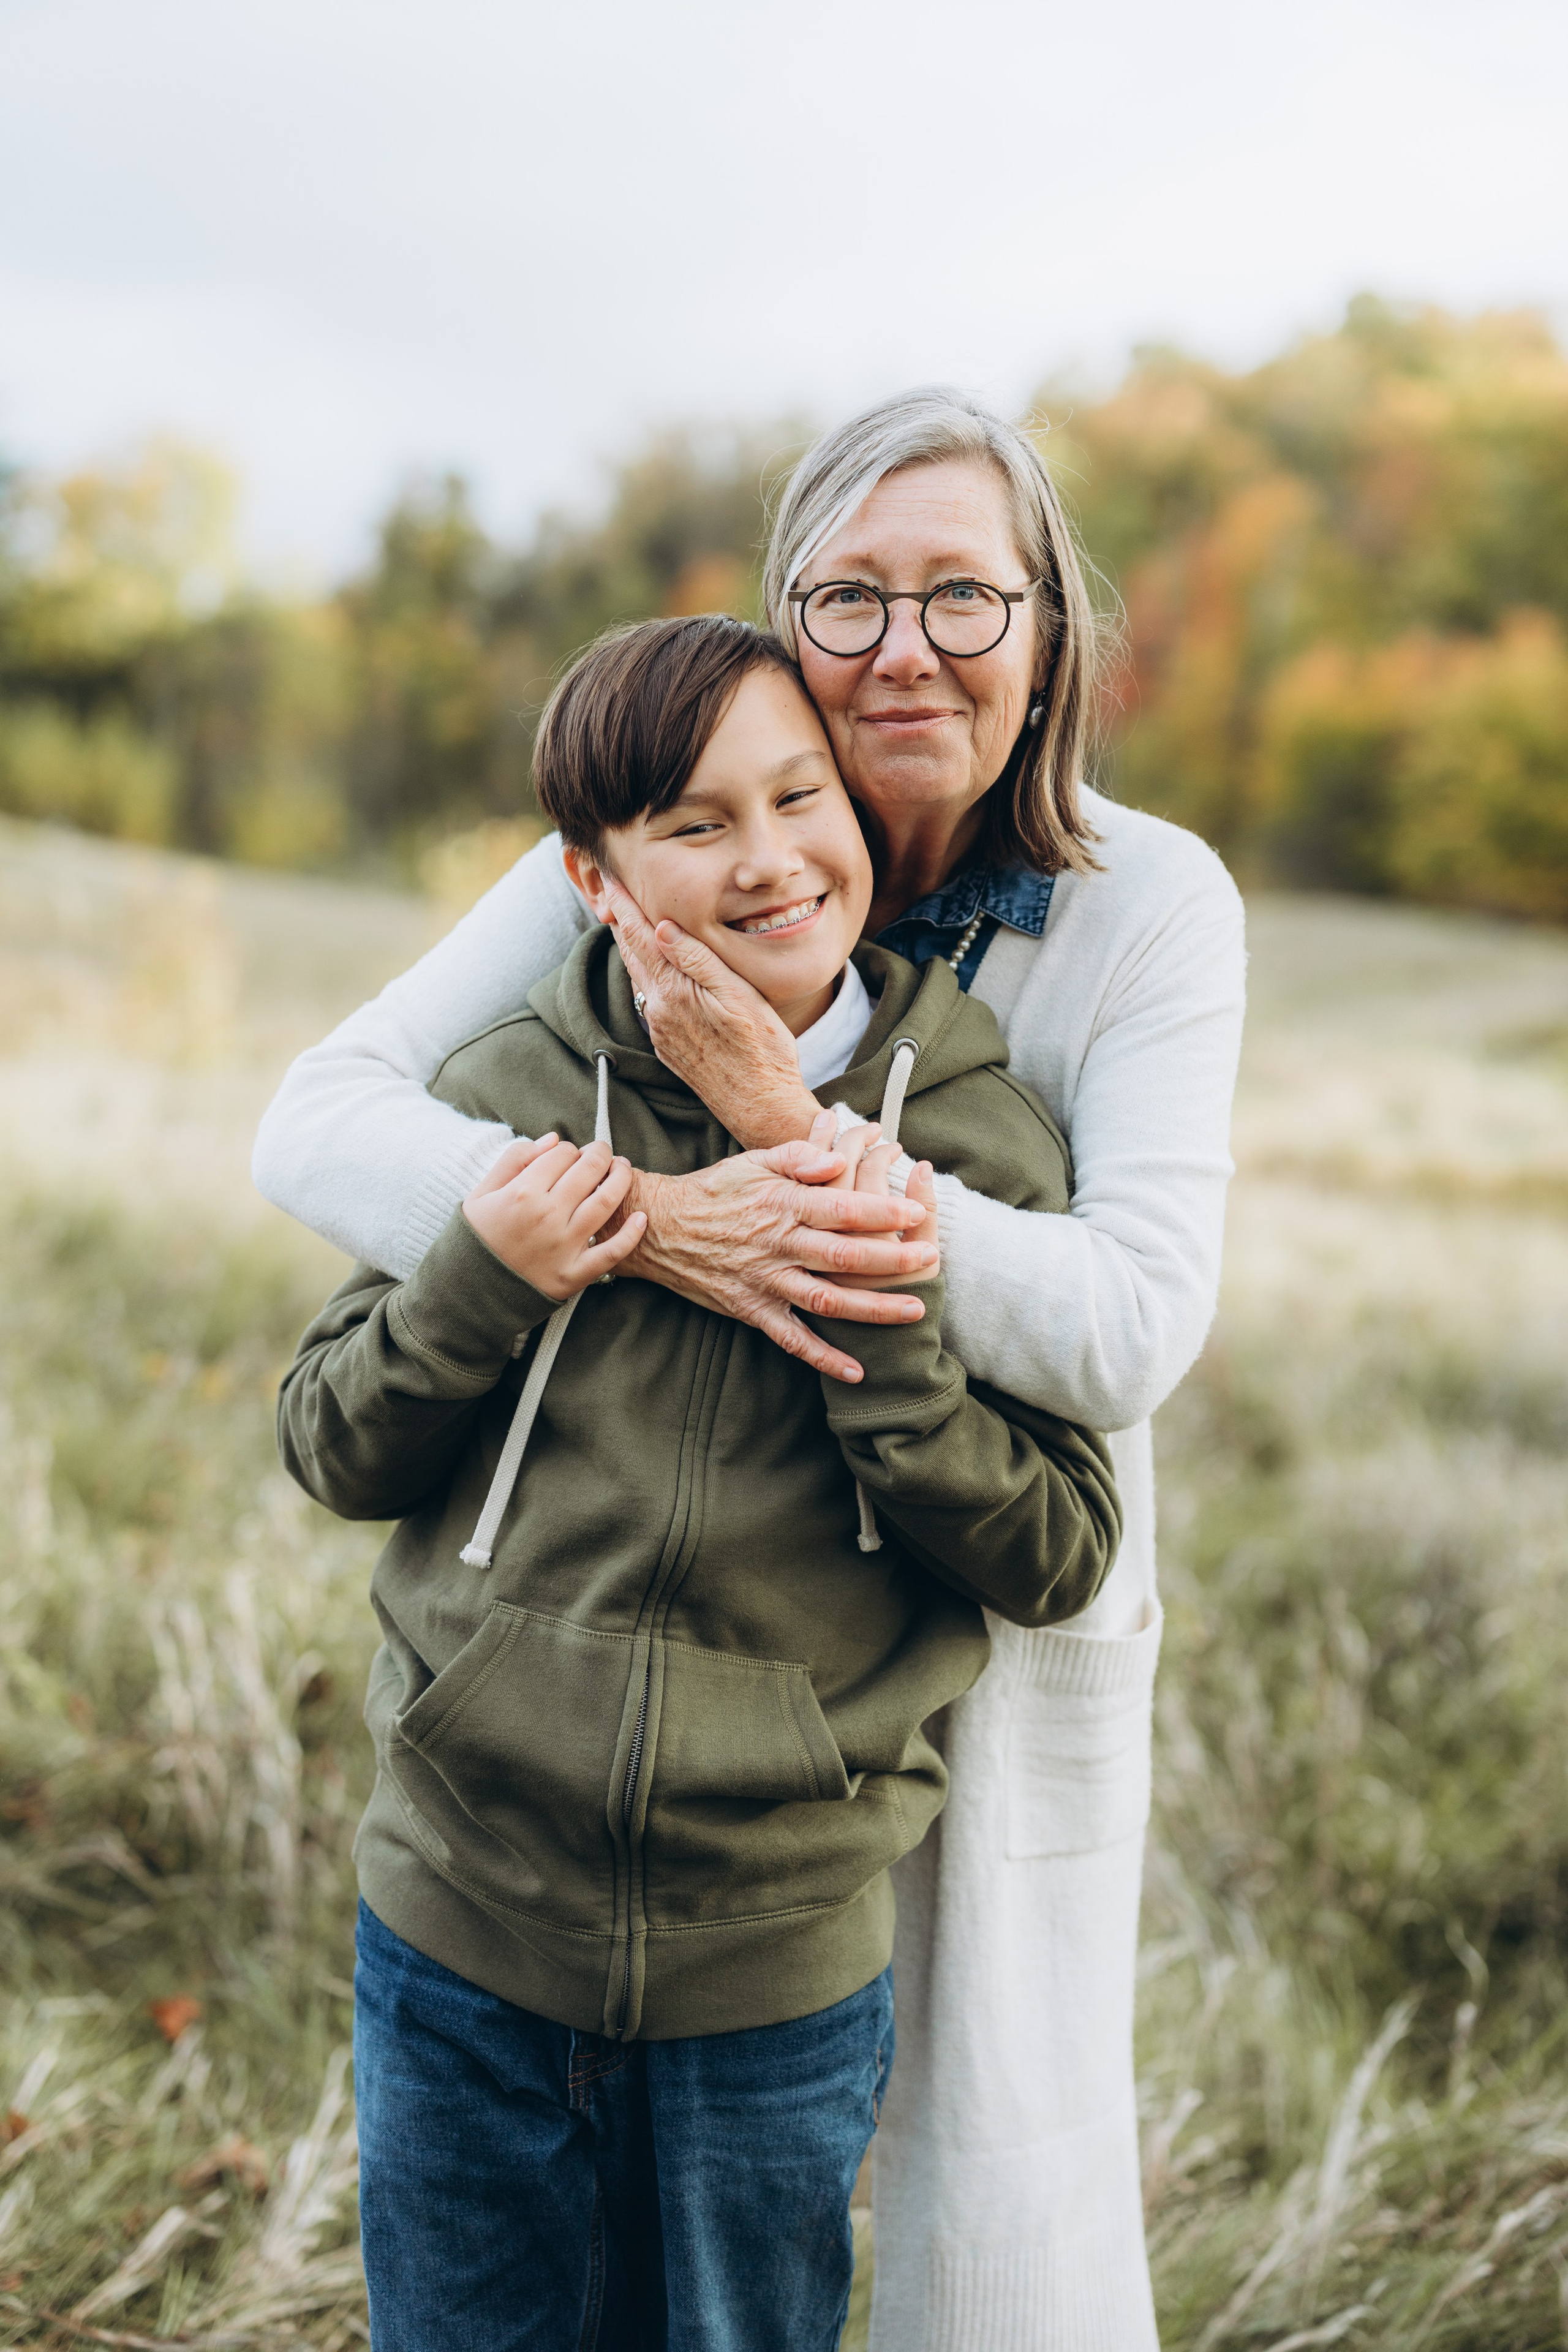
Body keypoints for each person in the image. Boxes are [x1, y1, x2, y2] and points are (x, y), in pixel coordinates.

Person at [254, 388, 1248, 2350]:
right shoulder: (660, 831)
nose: (909, 649)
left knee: (994, 2174)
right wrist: (641, 1206)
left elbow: (1134, 1322)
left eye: (966, 597)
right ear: (785, 622)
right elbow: (318, 1124)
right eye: (851, 598)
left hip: (952, 1576)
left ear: (1047, 624)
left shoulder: (1145, 904)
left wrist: (792, 1152)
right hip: (544, 1807)